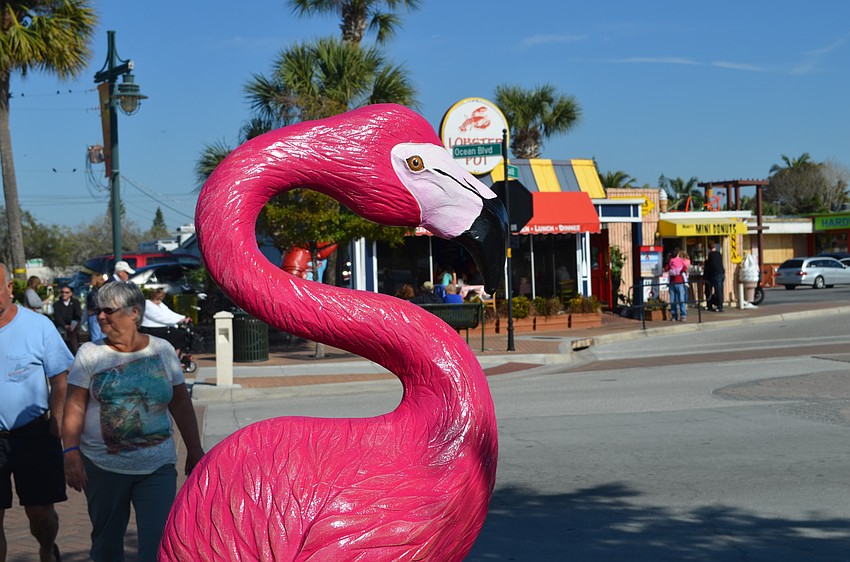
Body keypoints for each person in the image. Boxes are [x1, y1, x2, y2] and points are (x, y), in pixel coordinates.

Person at [62, 282, 204, 562]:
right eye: (97, 311)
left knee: (159, 544)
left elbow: (180, 403)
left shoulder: (162, 350)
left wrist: (195, 449)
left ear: (134, 313)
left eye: (108, 310)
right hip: (103, 470)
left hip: (158, 468)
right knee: (107, 547)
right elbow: (75, 404)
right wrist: (70, 451)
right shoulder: (90, 354)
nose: (100, 316)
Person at [0, 263, 72, 562]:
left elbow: (60, 378)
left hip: (34, 433)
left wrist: (57, 420)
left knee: (40, 513)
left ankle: (46, 548)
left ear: (9, 288)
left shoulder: (37, 325)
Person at [140, 288, 193, 355]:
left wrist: (183, 318)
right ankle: (173, 360)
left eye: (160, 299)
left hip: (161, 328)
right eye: (157, 299)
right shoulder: (147, 305)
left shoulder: (160, 304)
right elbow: (160, 318)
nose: (159, 301)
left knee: (183, 335)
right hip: (151, 329)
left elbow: (169, 313)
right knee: (179, 336)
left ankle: (176, 358)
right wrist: (179, 321)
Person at [52, 285, 82, 354]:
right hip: (61, 325)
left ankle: (76, 353)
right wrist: (65, 326)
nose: (64, 294)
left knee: (73, 334)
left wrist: (72, 325)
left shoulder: (75, 302)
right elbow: (57, 316)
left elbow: (78, 314)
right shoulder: (57, 304)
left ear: (71, 293)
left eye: (66, 292)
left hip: (73, 324)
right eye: (62, 292)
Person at [667, 249, 691, 322]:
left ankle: (674, 316)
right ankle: (683, 315)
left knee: (673, 300)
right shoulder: (680, 260)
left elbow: (666, 268)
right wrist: (679, 270)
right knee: (681, 299)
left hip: (672, 282)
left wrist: (672, 269)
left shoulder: (671, 261)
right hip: (680, 281)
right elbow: (684, 268)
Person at [703, 241, 725, 312]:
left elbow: (710, 266)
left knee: (715, 290)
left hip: (715, 274)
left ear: (709, 248)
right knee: (720, 290)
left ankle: (718, 306)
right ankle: (720, 305)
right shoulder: (719, 254)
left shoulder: (711, 255)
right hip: (721, 273)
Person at [86, 273, 107, 343]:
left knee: (95, 337)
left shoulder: (93, 291)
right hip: (103, 314)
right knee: (103, 335)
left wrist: (91, 311)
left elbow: (93, 303)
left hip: (94, 315)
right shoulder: (104, 290)